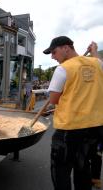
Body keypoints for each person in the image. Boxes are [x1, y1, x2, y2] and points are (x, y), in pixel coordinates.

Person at [44, 36, 103, 190]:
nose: (53, 57)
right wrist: (95, 51)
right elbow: (98, 61)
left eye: (54, 52)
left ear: (66, 48)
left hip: (69, 130)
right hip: (94, 129)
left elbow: (54, 100)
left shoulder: (63, 68)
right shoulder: (97, 64)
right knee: (83, 167)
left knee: (61, 170)